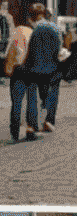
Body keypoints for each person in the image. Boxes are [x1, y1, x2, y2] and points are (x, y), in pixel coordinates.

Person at [20, 4, 62, 138]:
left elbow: (28, 52)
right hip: (52, 68)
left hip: (34, 68)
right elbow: (59, 49)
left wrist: (24, 65)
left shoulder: (33, 30)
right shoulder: (55, 28)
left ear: (33, 16)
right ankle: (48, 120)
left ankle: (31, 126)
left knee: (32, 96)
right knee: (52, 94)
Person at [6, 8, 32, 143]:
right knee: (31, 100)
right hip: (31, 70)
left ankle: (15, 131)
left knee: (16, 102)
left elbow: (10, 53)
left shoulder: (15, 33)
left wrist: (8, 69)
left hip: (18, 70)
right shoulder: (31, 32)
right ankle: (30, 128)